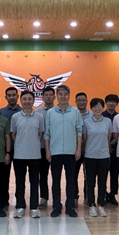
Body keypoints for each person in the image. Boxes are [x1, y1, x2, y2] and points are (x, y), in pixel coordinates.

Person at [44, 85, 83, 217]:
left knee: (71, 180)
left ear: (69, 95)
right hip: (55, 152)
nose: (63, 96)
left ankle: (70, 206)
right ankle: (56, 205)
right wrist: (47, 151)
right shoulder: (50, 113)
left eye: (65, 94)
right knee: (56, 181)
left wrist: (78, 149)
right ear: (57, 96)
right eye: (60, 94)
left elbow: (79, 132)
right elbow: (47, 134)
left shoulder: (75, 112)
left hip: (71, 152)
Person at [11, 91, 45, 218]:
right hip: (19, 155)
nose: (27, 101)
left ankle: (34, 208)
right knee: (20, 182)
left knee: (34, 182)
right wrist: (22, 144)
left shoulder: (39, 117)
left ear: (33, 101)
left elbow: (40, 134)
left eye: (29, 99)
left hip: (35, 155)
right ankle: (20, 207)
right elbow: (13, 134)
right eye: (24, 99)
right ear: (20, 100)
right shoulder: (15, 117)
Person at [83, 98, 112, 217]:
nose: (97, 108)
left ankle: (101, 204)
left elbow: (109, 137)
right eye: (95, 106)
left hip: (104, 156)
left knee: (102, 181)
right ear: (91, 108)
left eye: (100, 106)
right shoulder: (86, 122)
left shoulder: (108, 121)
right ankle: (91, 204)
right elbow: (85, 138)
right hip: (90, 155)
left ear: (103, 107)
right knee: (90, 182)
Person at [0, 86, 22, 208]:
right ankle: (3, 201)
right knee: (3, 177)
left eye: (14, 95)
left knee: (20, 177)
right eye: (9, 95)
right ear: (6, 97)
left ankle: (20, 201)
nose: (12, 97)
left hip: (20, 151)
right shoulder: (1, 112)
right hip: (4, 151)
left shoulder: (23, 111)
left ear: (17, 97)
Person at [37, 86, 55, 209]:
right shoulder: (37, 112)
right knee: (42, 174)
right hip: (42, 148)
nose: (48, 97)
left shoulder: (59, 111)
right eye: (46, 95)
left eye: (50, 95)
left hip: (56, 148)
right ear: (42, 97)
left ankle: (56, 199)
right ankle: (44, 197)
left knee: (56, 175)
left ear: (54, 97)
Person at [102, 93, 119, 206]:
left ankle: (113, 194)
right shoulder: (102, 116)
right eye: (109, 101)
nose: (111, 103)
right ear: (106, 103)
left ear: (117, 103)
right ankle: (103, 194)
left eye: (114, 102)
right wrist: (107, 145)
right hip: (103, 149)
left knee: (114, 173)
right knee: (103, 173)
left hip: (116, 149)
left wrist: (113, 143)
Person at [74, 92, 91, 205]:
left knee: (88, 175)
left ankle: (88, 197)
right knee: (73, 175)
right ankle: (74, 197)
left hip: (89, 149)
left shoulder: (92, 115)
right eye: (79, 100)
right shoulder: (73, 114)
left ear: (87, 101)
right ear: (75, 102)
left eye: (83, 100)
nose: (81, 102)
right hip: (75, 149)